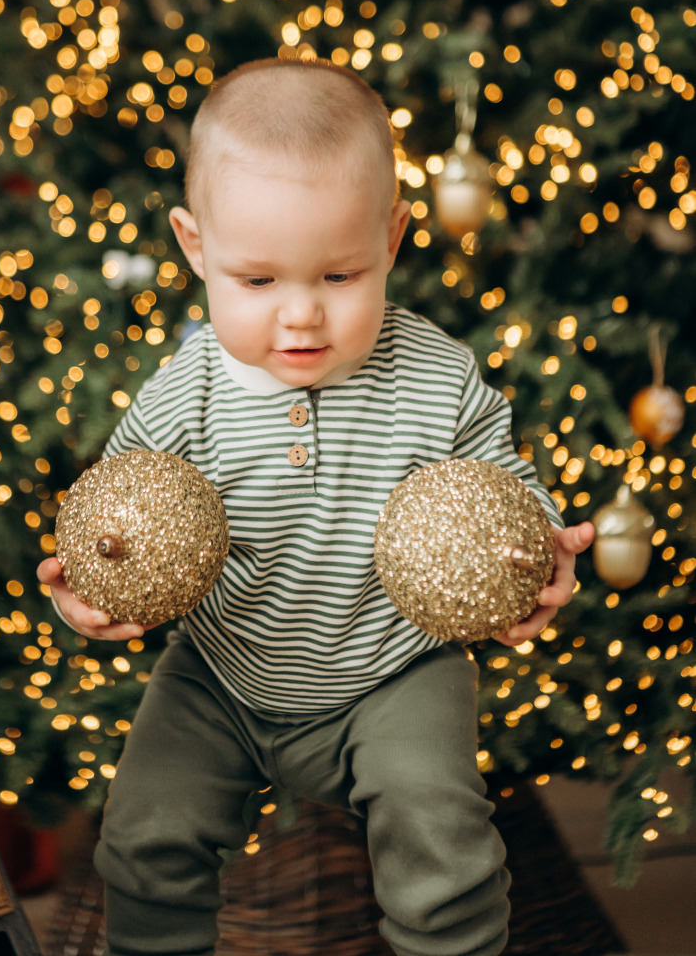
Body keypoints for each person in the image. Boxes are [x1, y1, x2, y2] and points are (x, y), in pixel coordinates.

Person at [38, 57, 594, 956]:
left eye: (339, 276)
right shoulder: (183, 398)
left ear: (394, 237)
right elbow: (117, 526)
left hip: (394, 670)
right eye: (257, 282)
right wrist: (89, 594)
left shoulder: (438, 376)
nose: (301, 317)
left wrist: (537, 558)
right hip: (223, 671)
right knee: (144, 834)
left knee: (440, 831)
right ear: (194, 247)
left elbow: (505, 492)